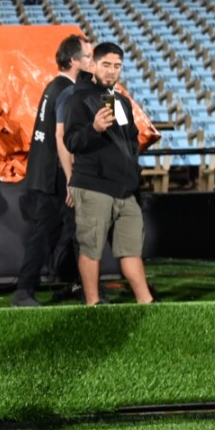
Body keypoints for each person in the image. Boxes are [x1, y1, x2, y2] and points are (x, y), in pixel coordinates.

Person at [62, 43, 154, 306]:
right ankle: (93, 304)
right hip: (94, 186)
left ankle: (145, 302)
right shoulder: (77, 99)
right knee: (91, 250)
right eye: (106, 65)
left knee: (131, 250)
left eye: (117, 66)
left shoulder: (121, 100)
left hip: (125, 190)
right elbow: (71, 141)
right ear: (92, 65)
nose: (112, 71)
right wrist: (94, 129)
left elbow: (132, 139)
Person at [12, 34, 90, 307]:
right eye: (88, 58)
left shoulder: (54, 87)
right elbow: (62, 138)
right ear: (73, 61)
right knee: (56, 233)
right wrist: (70, 178)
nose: (92, 63)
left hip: (44, 173)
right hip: (54, 176)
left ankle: (78, 285)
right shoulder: (67, 91)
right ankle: (25, 292)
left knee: (59, 232)